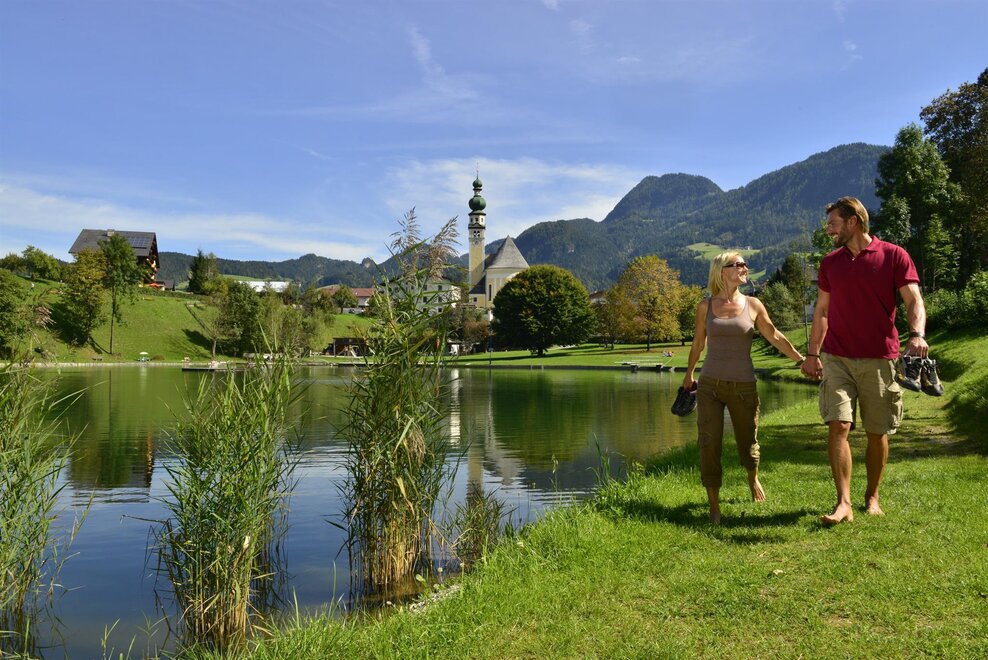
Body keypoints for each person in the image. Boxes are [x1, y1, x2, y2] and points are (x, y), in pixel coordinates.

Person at [800, 196, 928, 525]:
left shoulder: (894, 255)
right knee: (838, 425)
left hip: (880, 358)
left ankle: (872, 496)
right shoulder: (830, 263)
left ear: (853, 221)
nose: (828, 230)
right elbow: (822, 311)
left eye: (833, 223)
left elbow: (914, 300)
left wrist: (917, 334)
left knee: (877, 431)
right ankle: (843, 502)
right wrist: (813, 353)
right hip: (837, 357)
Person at [683, 252, 805, 524]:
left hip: (743, 386)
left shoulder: (753, 304)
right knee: (708, 443)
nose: (744, 267)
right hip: (710, 385)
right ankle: (714, 506)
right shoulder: (705, 306)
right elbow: (698, 344)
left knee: (748, 444)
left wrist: (801, 359)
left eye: (744, 264)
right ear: (722, 271)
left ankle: (752, 477)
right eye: (738, 264)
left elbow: (774, 335)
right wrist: (689, 373)